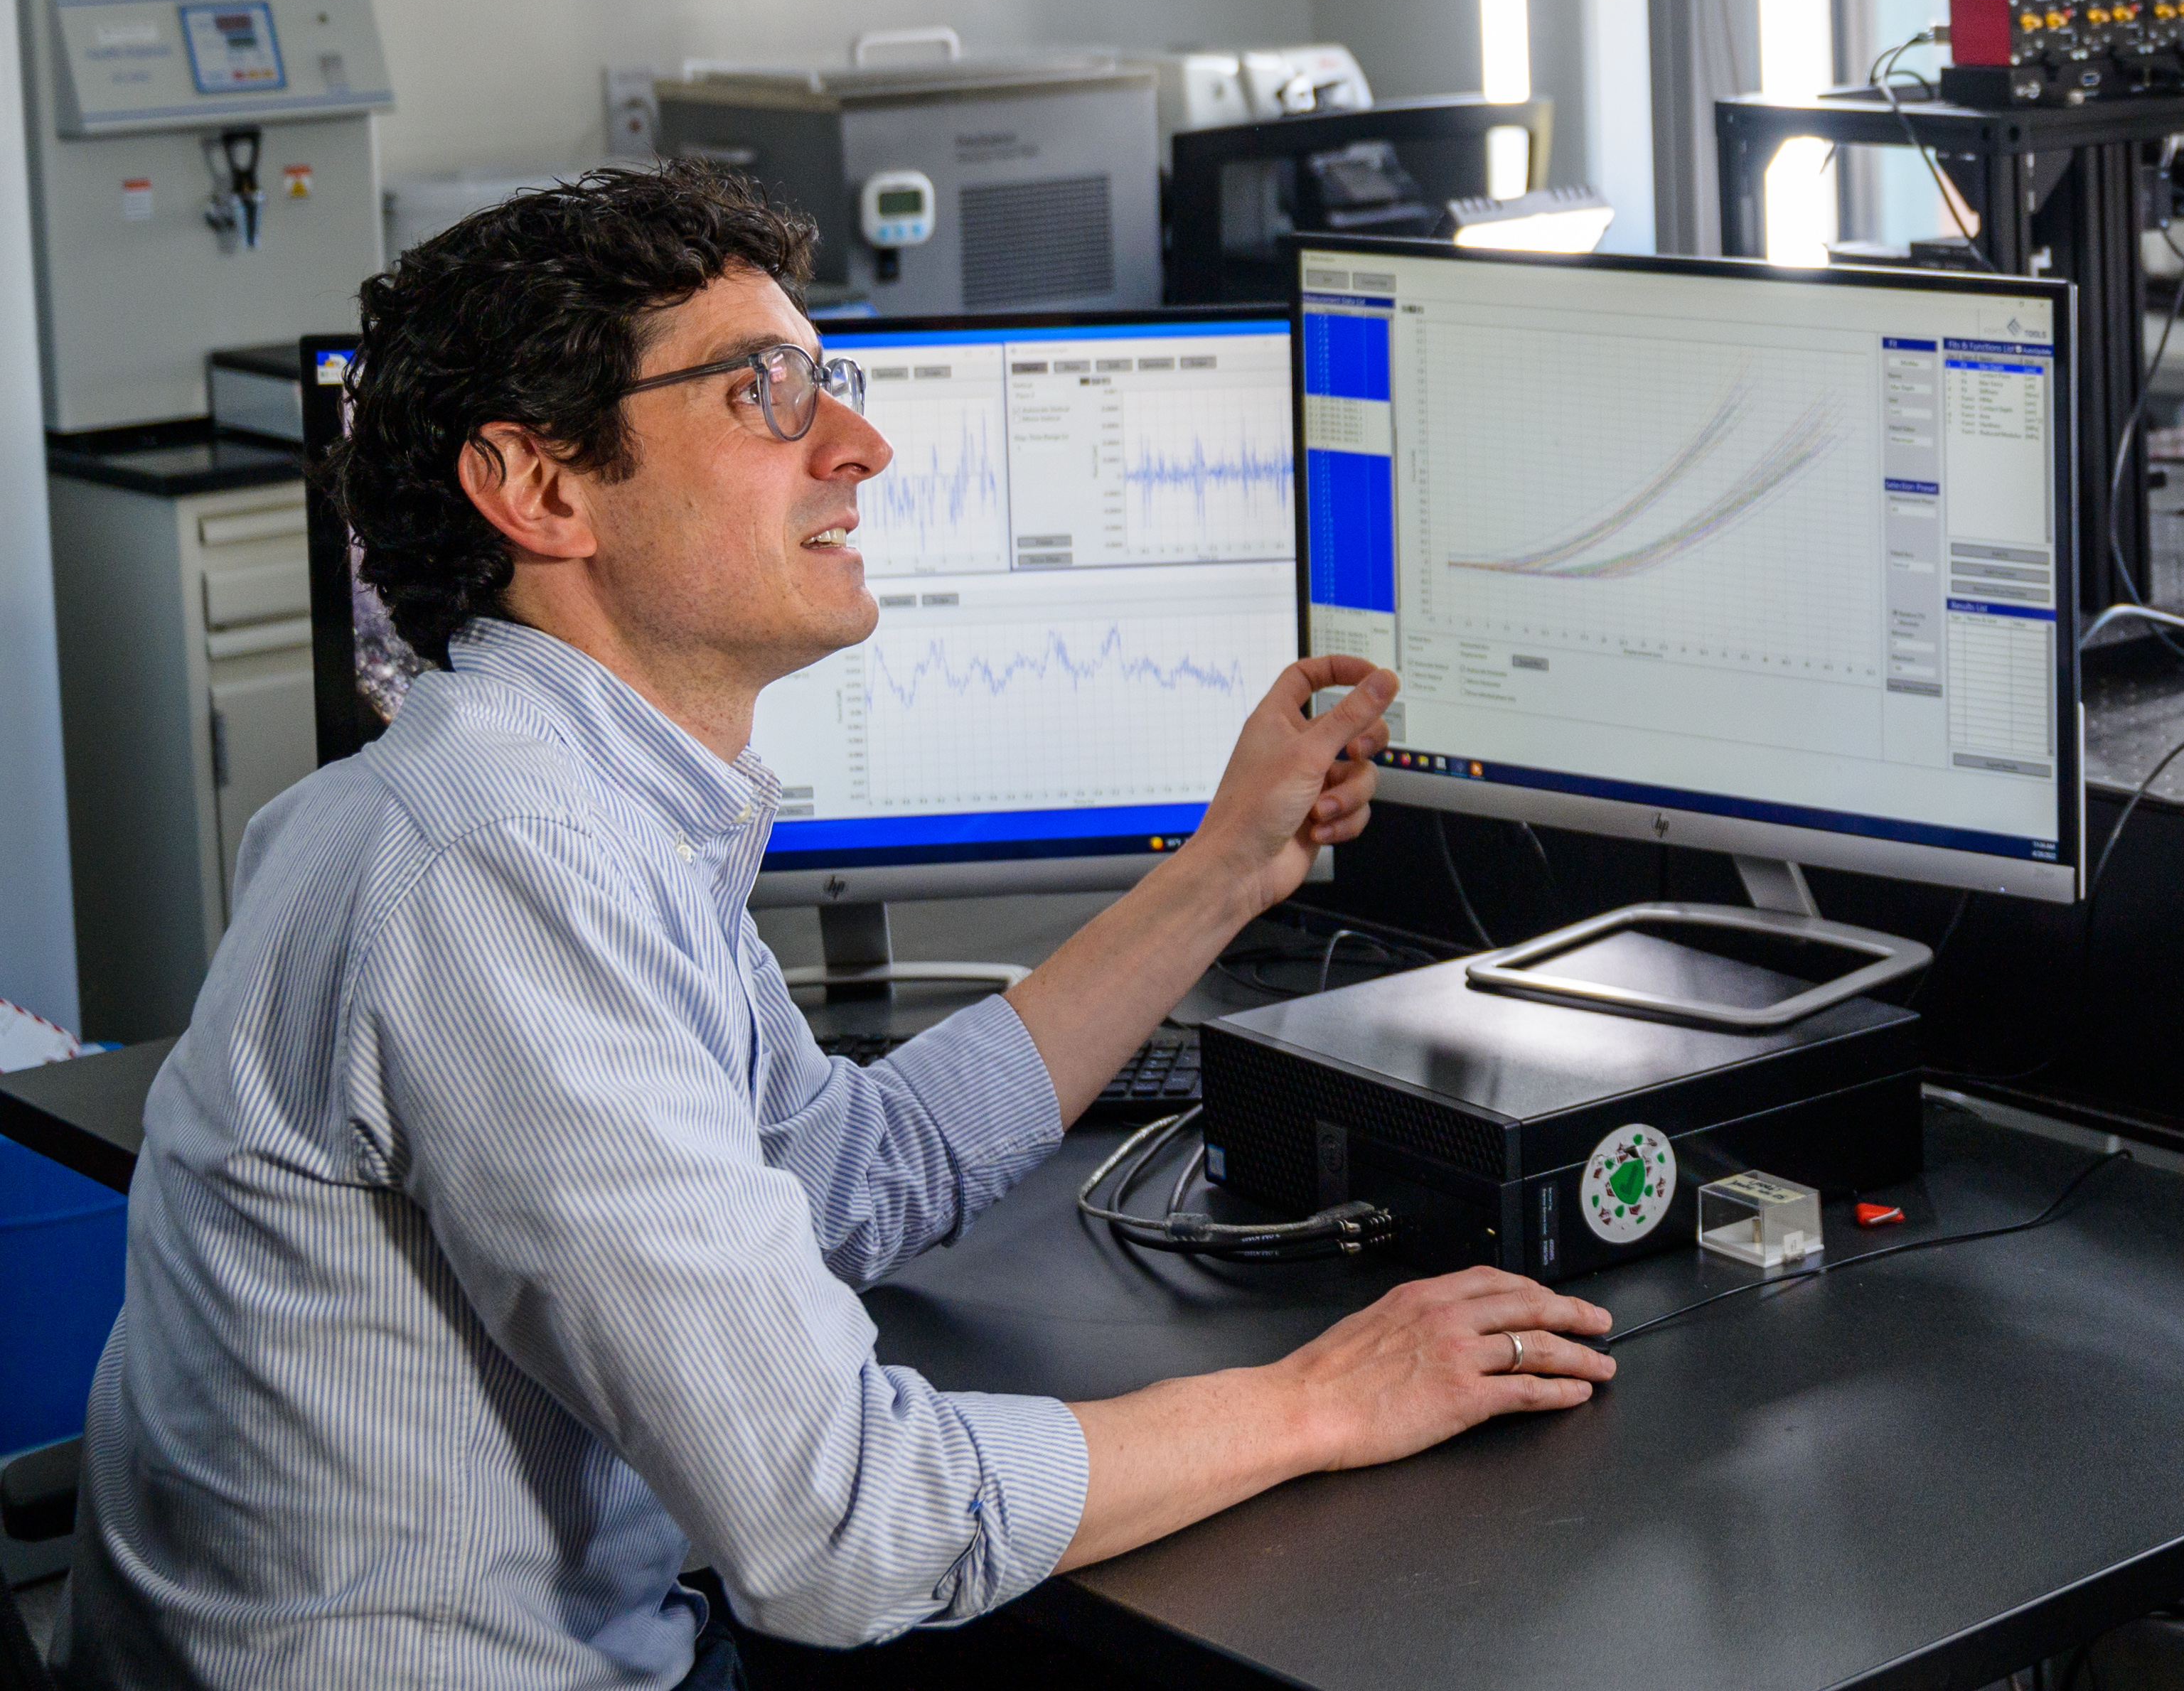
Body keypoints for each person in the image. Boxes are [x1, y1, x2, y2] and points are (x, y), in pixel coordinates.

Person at [64, 163, 1620, 1690]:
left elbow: (845, 1175)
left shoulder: (558, 799)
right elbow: (849, 1528)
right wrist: (1321, 1400)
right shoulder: (501, 865)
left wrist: (1226, 865)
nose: (863, 445)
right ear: (540, 485)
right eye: (766, 392)